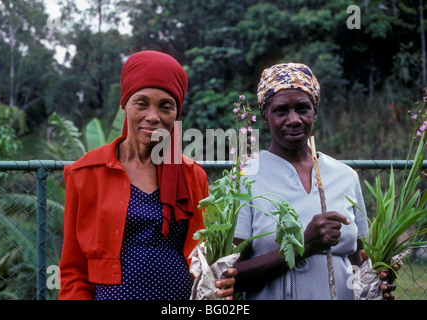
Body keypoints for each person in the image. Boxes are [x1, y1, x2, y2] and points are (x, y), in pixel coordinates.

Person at [58, 50, 236, 300]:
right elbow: (74, 270)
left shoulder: (192, 176)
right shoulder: (85, 173)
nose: (153, 117)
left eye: (166, 106)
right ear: (125, 105)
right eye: (141, 103)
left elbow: (206, 259)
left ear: (176, 113)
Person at [233, 62, 397, 300]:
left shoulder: (345, 176)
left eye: (303, 108)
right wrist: (303, 246)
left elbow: (360, 259)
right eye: (281, 111)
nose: (294, 120)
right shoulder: (246, 178)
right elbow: (230, 277)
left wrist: (379, 278)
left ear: (315, 112)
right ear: (265, 117)